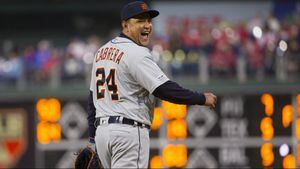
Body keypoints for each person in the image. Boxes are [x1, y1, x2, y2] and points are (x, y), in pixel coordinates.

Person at [87, 1, 217, 168]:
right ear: (125, 26)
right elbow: (164, 89)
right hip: (128, 132)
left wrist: (92, 140)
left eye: (148, 21)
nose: (147, 25)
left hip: (103, 133)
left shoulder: (101, 52)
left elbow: (92, 102)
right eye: (140, 21)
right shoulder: (136, 52)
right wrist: (201, 98)